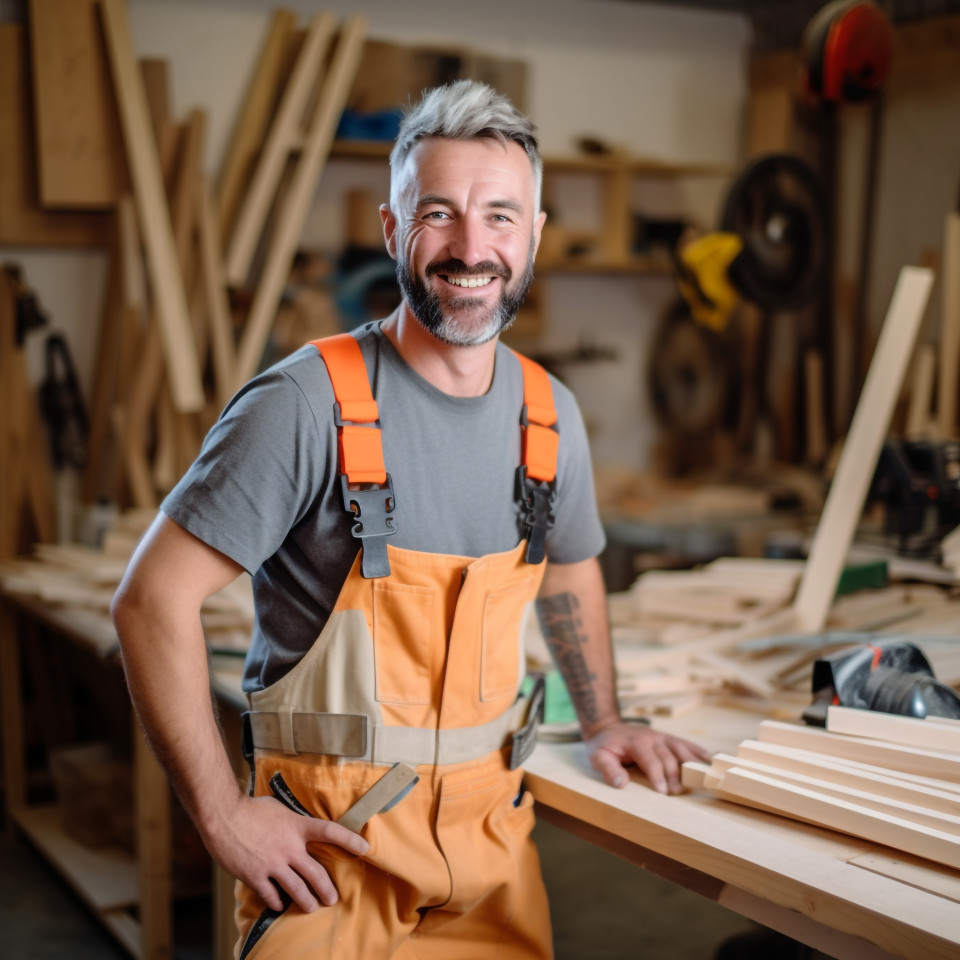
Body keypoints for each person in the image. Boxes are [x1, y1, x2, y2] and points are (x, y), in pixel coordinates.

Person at [111, 79, 710, 959]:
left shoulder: (551, 418)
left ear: (535, 236)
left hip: (494, 864)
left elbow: (573, 569)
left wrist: (605, 719)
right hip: (330, 871)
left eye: (502, 217)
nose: (473, 248)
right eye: (440, 213)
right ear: (394, 230)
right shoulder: (305, 405)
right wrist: (222, 815)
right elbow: (149, 601)